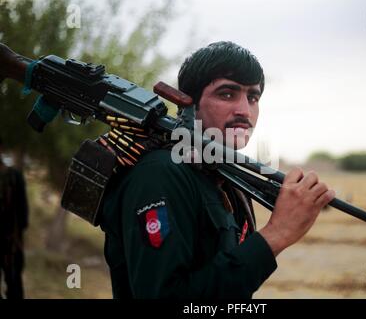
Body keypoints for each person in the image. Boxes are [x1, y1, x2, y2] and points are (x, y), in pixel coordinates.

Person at [99, 41, 335, 298]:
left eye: (253, 97)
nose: (245, 111)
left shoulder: (223, 176)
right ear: (190, 104)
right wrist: (275, 236)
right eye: (227, 94)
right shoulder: (160, 174)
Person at [0, 137, 29, 299]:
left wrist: (18, 238)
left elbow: (22, 210)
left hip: (11, 241)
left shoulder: (14, 177)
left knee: (14, 285)